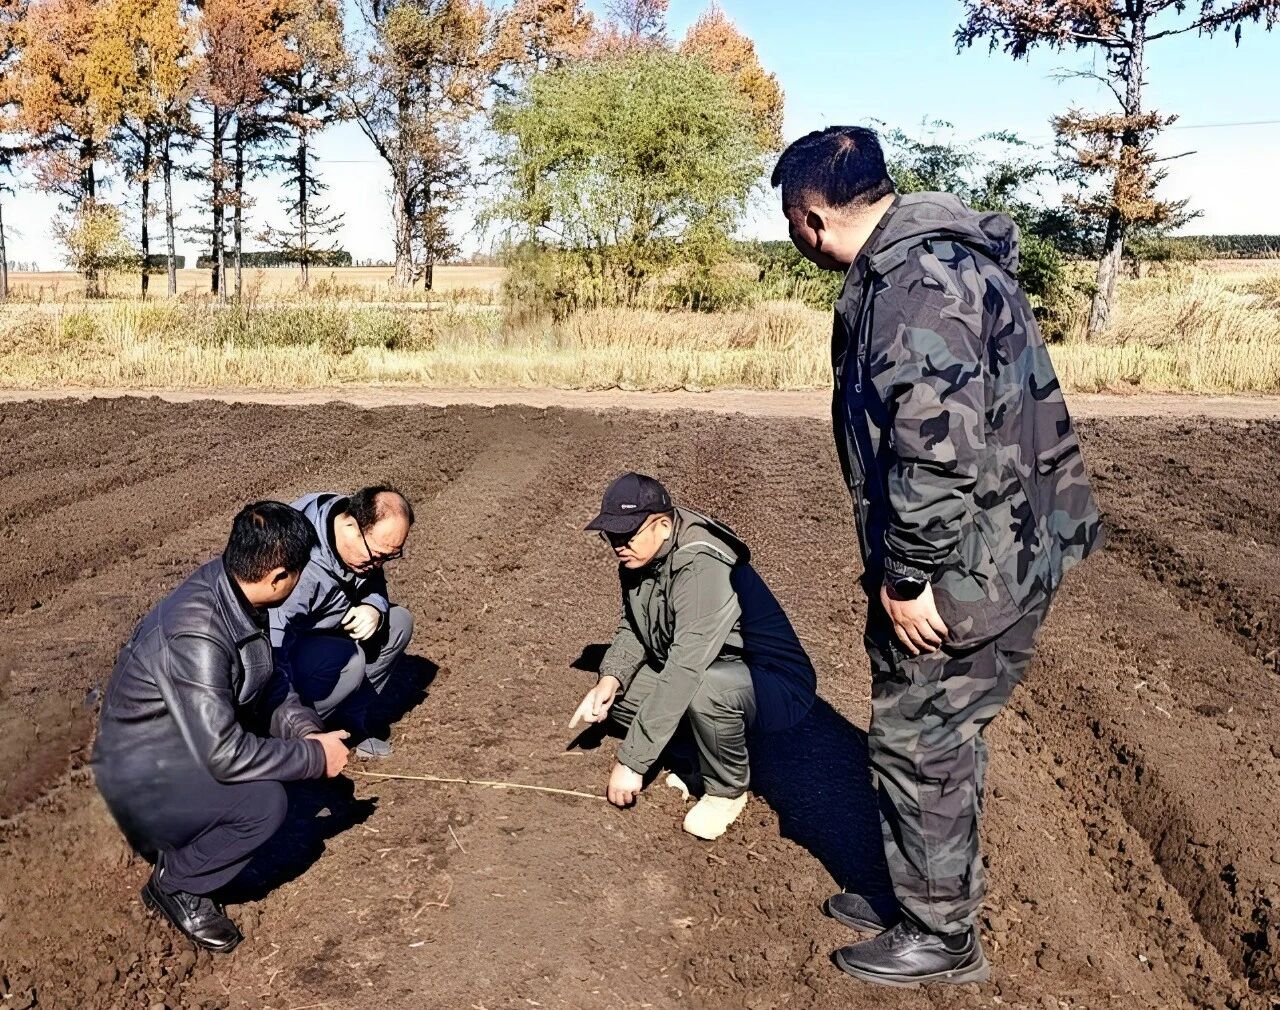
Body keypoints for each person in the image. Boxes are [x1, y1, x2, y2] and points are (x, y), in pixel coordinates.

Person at [772, 126, 1102, 986]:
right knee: (934, 732)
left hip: (972, 563)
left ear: (808, 218)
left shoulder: (913, 287)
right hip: (1010, 538)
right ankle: (919, 885)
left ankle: (940, 936)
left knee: (921, 738)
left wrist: (909, 577)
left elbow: (937, 456)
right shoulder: (937, 257)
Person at [92, 502, 351, 954]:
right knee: (264, 803)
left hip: (180, 747)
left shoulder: (236, 591)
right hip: (140, 778)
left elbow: (269, 683)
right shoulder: (198, 632)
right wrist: (314, 759)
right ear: (277, 576)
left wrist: (307, 734)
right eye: (299, 572)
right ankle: (176, 884)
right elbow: (224, 755)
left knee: (277, 775)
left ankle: (202, 840)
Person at [572, 472, 817, 840]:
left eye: (628, 534)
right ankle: (698, 754)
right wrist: (611, 679)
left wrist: (632, 762)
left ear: (664, 525)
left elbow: (686, 665)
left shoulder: (702, 563)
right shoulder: (640, 558)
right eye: (612, 536)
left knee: (703, 687)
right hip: (714, 667)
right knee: (619, 700)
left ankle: (726, 791)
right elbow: (634, 628)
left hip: (773, 682)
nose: (619, 545)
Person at [270, 486, 416, 759]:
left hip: (329, 628)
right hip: (289, 651)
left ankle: (349, 724)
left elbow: (374, 581)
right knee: (350, 661)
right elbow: (273, 649)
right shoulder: (296, 562)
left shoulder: (353, 527)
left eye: (388, 557)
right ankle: (298, 741)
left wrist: (374, 606)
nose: (378, 564)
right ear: (351, 526)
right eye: (377, 555)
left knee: (398, 623)